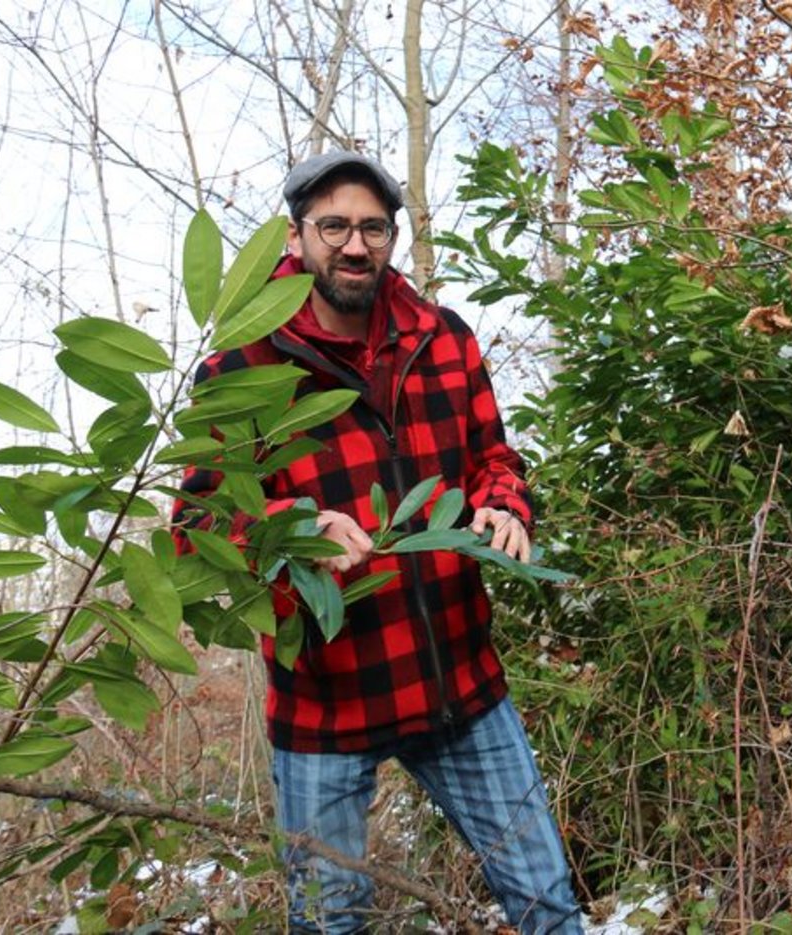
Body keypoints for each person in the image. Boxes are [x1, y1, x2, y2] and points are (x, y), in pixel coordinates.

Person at [172, 150, 582, 934]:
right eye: (334, 227)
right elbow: (198, 524)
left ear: (392, 237)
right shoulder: (242, 365)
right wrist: (292, 531)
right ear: (295, 238)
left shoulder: (443, 338)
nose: (354, 246)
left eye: (372, 228)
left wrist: (504, 505)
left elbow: (495, 457)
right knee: (330, 925)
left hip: (463, 686)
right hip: (327, 705)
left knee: (549, 909)